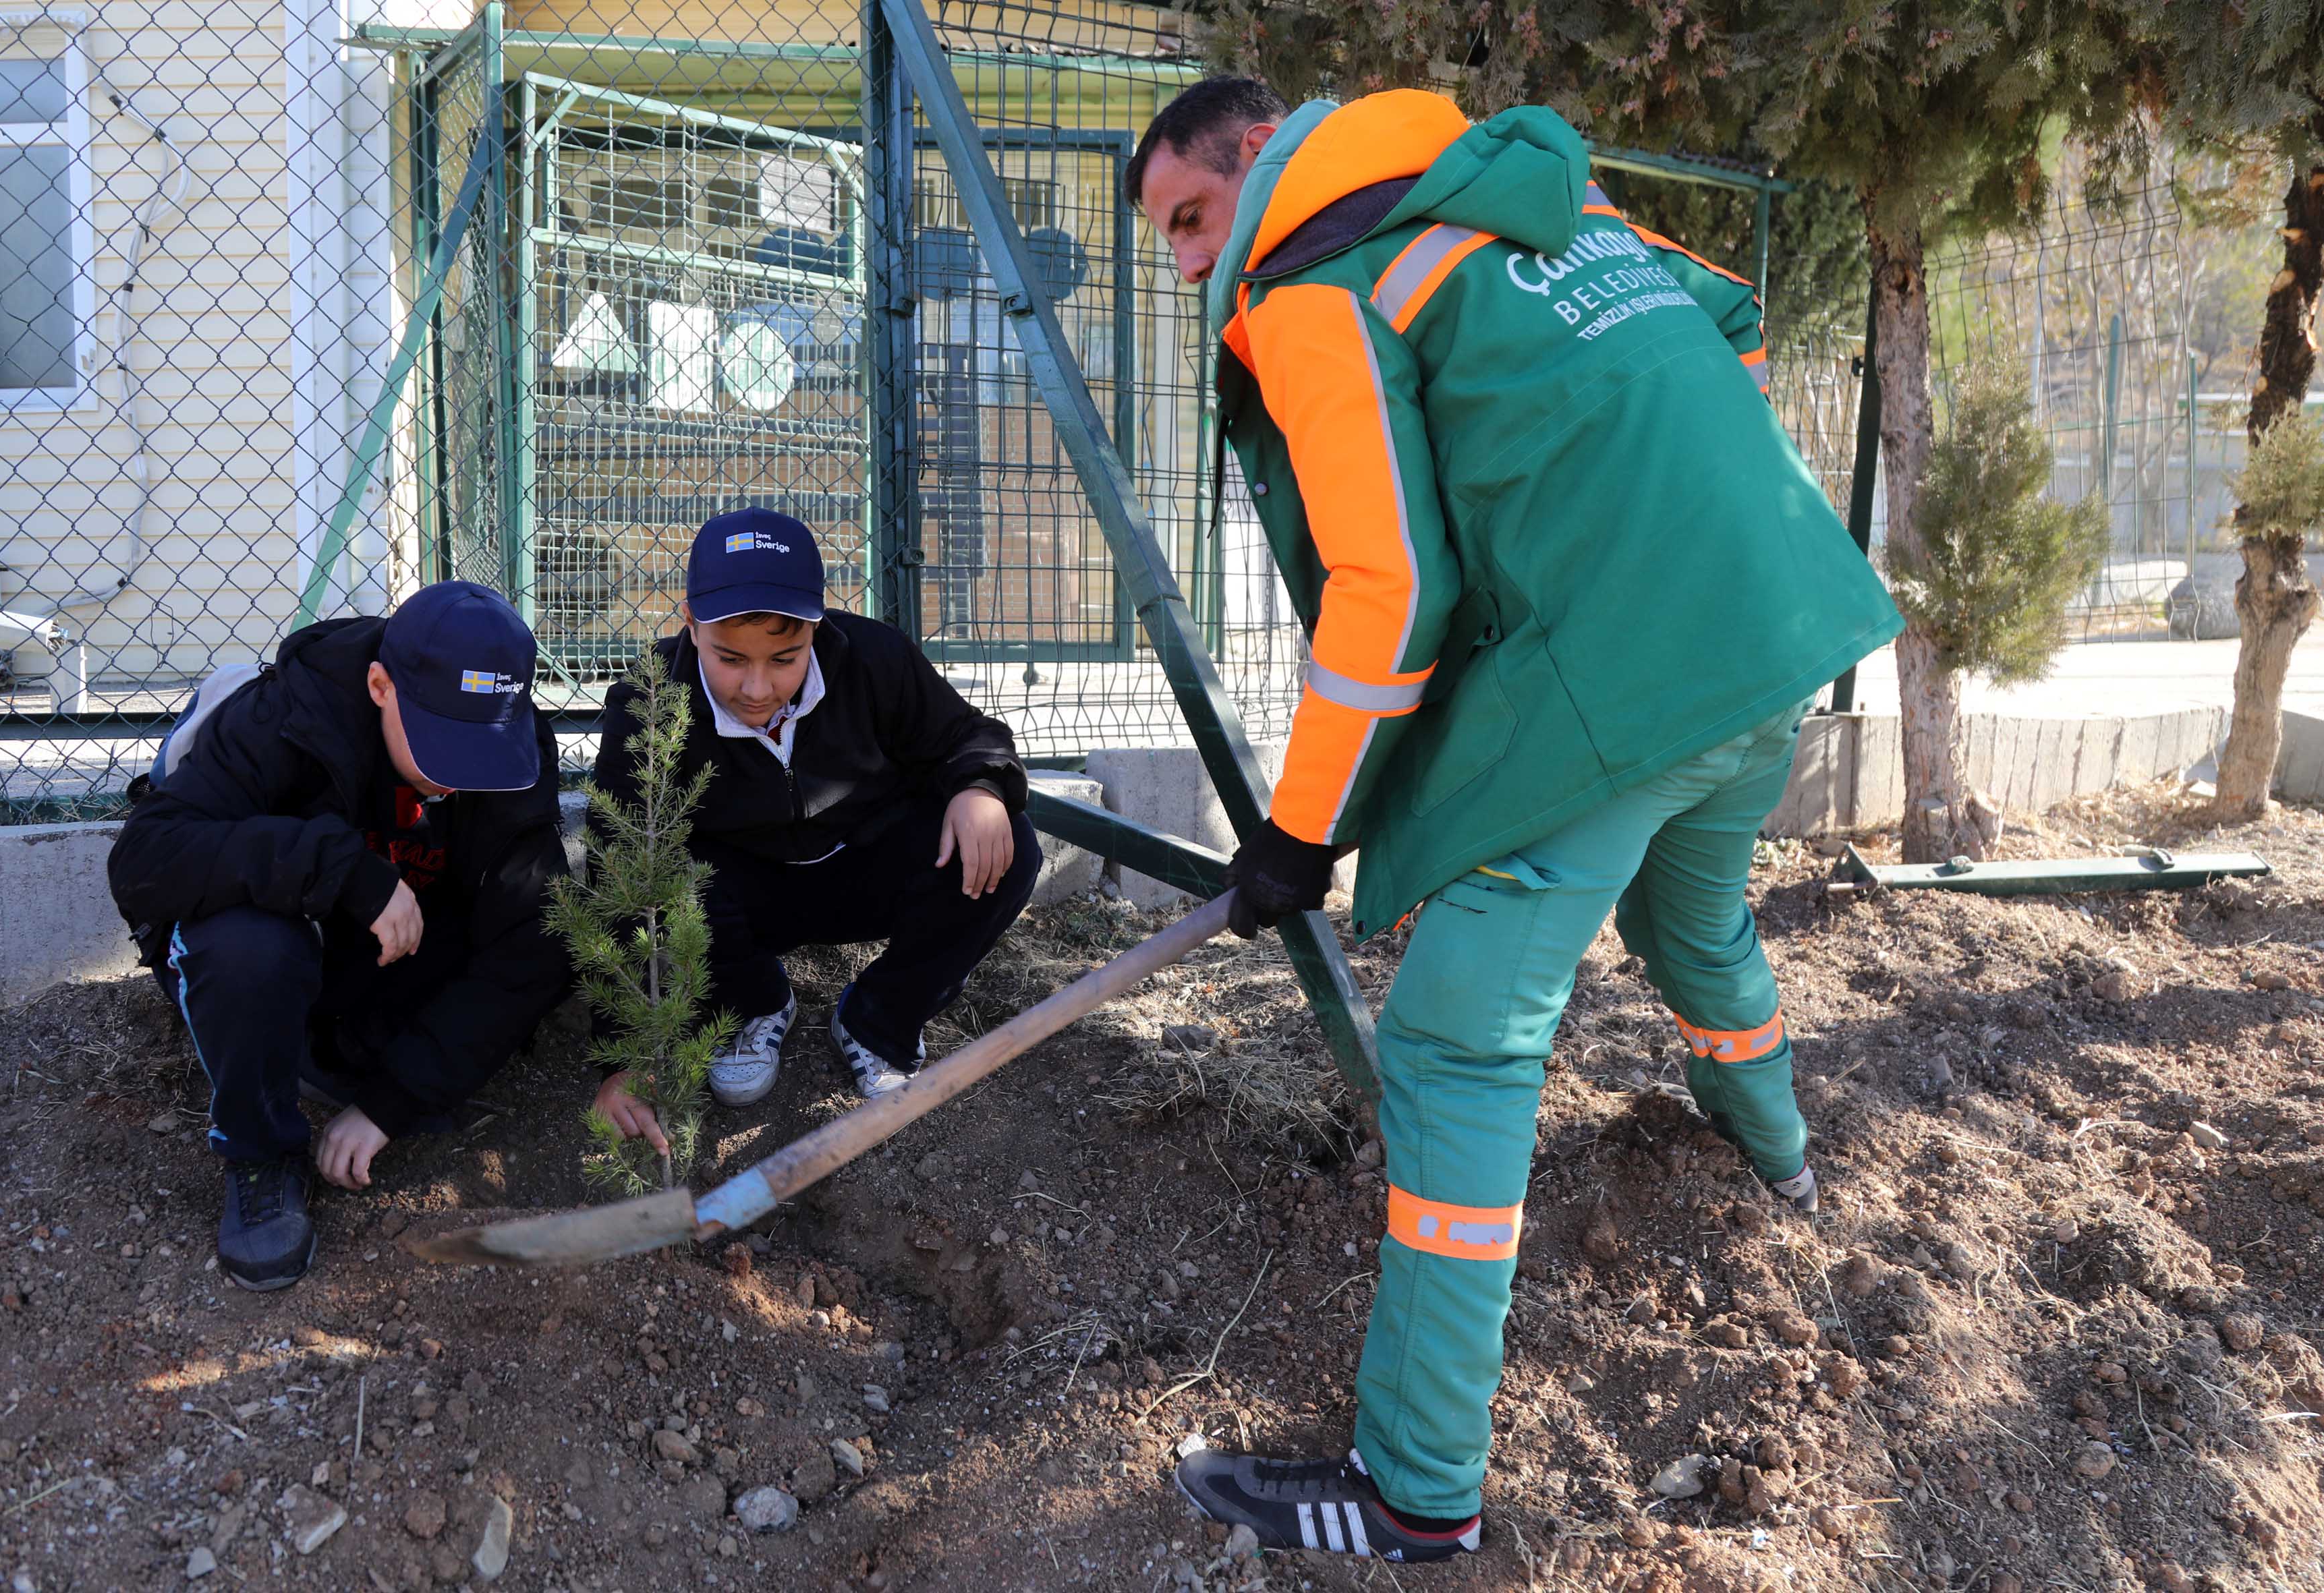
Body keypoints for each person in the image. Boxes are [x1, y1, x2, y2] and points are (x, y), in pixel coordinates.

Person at [1129, 80, 1904, 1561]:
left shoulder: (1312, 274)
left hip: (1629, 668)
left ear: (1257, 159)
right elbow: (1724, 310)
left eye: (1188, 219)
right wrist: (1685, 487)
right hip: (1775, 622)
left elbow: (1392, 591)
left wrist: (1301, 833)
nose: (1182, 268)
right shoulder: (1535, 198)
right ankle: (1780, 1154)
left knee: (1452, 1037)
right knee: (1694, 925)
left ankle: (1413, 1486)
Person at [109, 581, 570, 1292]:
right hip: (282, 945)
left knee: (535, 933)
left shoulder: (510, 743)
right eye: (445, 747)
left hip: (375, 963)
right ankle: (260, 1153)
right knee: (247, 951)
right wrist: (345, 869)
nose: (461, 781)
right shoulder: (287, 715)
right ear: (381, 686)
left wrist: (391, 1100)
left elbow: (531, 945)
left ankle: (348, 1063)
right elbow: (146, 862)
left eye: (485, 752)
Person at [584, 506, 1038, 1149]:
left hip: (865, 868)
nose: (757, 687)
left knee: (1009, 846)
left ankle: (878, 1021)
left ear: (817, 627)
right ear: (689, 621)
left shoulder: (875, 659)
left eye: (785, 658)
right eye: (730, 658)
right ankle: (751, 1006)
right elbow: (617, 869)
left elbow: (967, 735)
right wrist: (623, 1057)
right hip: (739, 898)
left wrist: (981, 786)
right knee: (672, 883)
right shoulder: (650, 702)